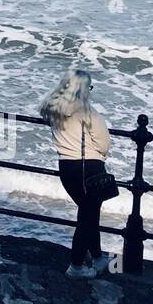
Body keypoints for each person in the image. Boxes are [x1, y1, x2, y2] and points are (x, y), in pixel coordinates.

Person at [40, 67, 113, 278]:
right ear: (83, 89)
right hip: (88, 168)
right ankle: (76, 266)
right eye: (89, 87)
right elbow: (103, 144)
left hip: (66, 168)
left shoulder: (53, 109)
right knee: (87, 217)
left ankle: (98, 258)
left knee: (89, 214)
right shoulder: (88, 113)